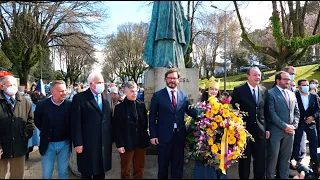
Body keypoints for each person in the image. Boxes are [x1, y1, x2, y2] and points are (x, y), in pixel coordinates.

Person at [149, 68, 197, 179]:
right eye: (169, 78)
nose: (172, 80)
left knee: (178, 166)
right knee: (163, 166)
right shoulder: (158, 95)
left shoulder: (183, 96)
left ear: (178, 80)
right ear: (165, 79)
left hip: (179, 137)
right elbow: (152, 116)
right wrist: (153, 135)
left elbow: (191, 111)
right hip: (163, 137)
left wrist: (207, 114)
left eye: (174, 78)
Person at [70, 72, 112, 179]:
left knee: (100, 173)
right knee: (87, 172)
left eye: (102, 82)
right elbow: (76, 123)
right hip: (87, 144)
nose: (101, 84)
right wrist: (78, 143)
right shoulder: (79, 98)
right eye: (99, 82)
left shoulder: (106, 98)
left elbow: (108, 120)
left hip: (103, 144)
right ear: (91, 84)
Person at [230, 67, 267, 179]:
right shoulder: (239, 90)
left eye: (259, 75)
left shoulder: (264, 90)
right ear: (248, 76)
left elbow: (265, 111)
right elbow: (233, 110)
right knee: (244, 161)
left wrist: (267, 129)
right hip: (244, 132)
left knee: (260, 160)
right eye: (255, 75)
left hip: (260, 131)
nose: (258, 77)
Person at [34, 80, 72, 179]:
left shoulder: (70, 105)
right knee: (47, 174)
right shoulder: (42, 105)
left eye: (65, 90)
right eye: (61, 91)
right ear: (52, 91)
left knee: (63, 172)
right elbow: (37, 121)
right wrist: (46, 131)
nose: (64, 93)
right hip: (48, 144)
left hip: (65, 144)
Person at [266, 71, 300, 179]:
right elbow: (271, 113)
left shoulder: (291, 93)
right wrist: (285, 126)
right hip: (276, 132)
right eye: (285, 79)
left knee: (286, 159)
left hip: (290, 132)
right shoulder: (270, 93)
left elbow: (296, 111)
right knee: (273, 158)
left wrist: (293, 125)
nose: (288, 81)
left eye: (289, 79)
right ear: (278, 80)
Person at [0, 75, 35, 179]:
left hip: (19, 147)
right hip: (2, 148)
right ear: (2, 86)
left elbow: (30, 121)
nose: (13, 87)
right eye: (10, 85)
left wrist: (25, 135)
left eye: (15, 84)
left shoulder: (25, 101)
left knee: (17, 175)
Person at [113, 81, 150, 179]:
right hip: (126, 143)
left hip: (140, 142)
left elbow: (145, 123)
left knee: (139, 168)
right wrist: (119, 144)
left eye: (136, 91)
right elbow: (116, 127)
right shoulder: (119, 108)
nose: (135, 93)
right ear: (125, 92)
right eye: (132, 91)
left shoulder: (141, 105)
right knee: (126, 169)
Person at [193, 76, 227, 179]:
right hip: (205, 142)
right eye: (211, 89)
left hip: (218, 141)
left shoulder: (222, 105)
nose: (214, 91)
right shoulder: (201, 105)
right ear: (207, 90)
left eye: (216, 89)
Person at [144, 1, 190, 68]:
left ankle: (176, 64)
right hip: (163, 31)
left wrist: (186, 24)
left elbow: (181, 13)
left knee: (177, 55)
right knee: (166, 43)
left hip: (177, 32)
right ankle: (165, 62)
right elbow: (154, 16)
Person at [292, 79, 319, 169]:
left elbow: (317, 109)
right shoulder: (294, 96)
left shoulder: (313, 96)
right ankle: (297, 160)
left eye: (307, 85)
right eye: (304, 85)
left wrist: (313, 117)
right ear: (299, 86)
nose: (306, 87)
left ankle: (314, 161)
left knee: (314, 141)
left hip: (311, 123)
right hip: (299, 123)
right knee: (297, 142)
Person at [25, 91, 42, 161]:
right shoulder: (29, 105)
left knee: (39, 142)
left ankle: (42, 154)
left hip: (38, 126)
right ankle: (26, 155)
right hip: (32, 126)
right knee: (31, 143)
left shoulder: (41, 105)